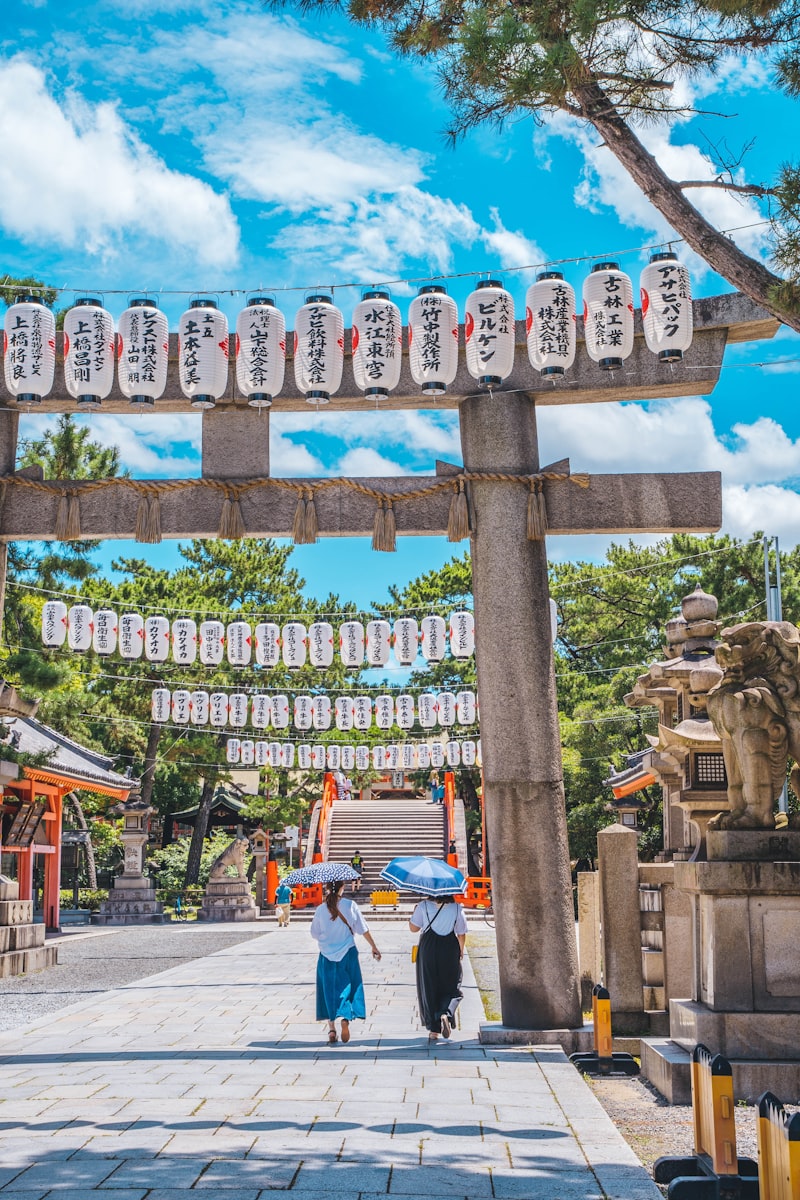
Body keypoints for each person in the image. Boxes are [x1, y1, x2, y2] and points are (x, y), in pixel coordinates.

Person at [310, 880, 381, 1044]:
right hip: (348, 952)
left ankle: (331, 1029)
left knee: (328, 989)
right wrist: (374, 946)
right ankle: (346, 1018)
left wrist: (327, 937)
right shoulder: (350, 905)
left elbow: (314, 933)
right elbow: (363, 928)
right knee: (349, 985)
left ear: (327, 888)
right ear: (342, 888)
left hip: (326, 954)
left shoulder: (321, 909)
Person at [409, 894, 468, 1041]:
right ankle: (445, 1013)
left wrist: (414, 912)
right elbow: (461, 933)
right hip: (449, 948)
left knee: (429, 986)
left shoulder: (423, 906)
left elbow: (413, 928)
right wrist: (461, 950)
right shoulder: (456, 908)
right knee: (453, 984)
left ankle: (434, 1030)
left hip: (428, 949)